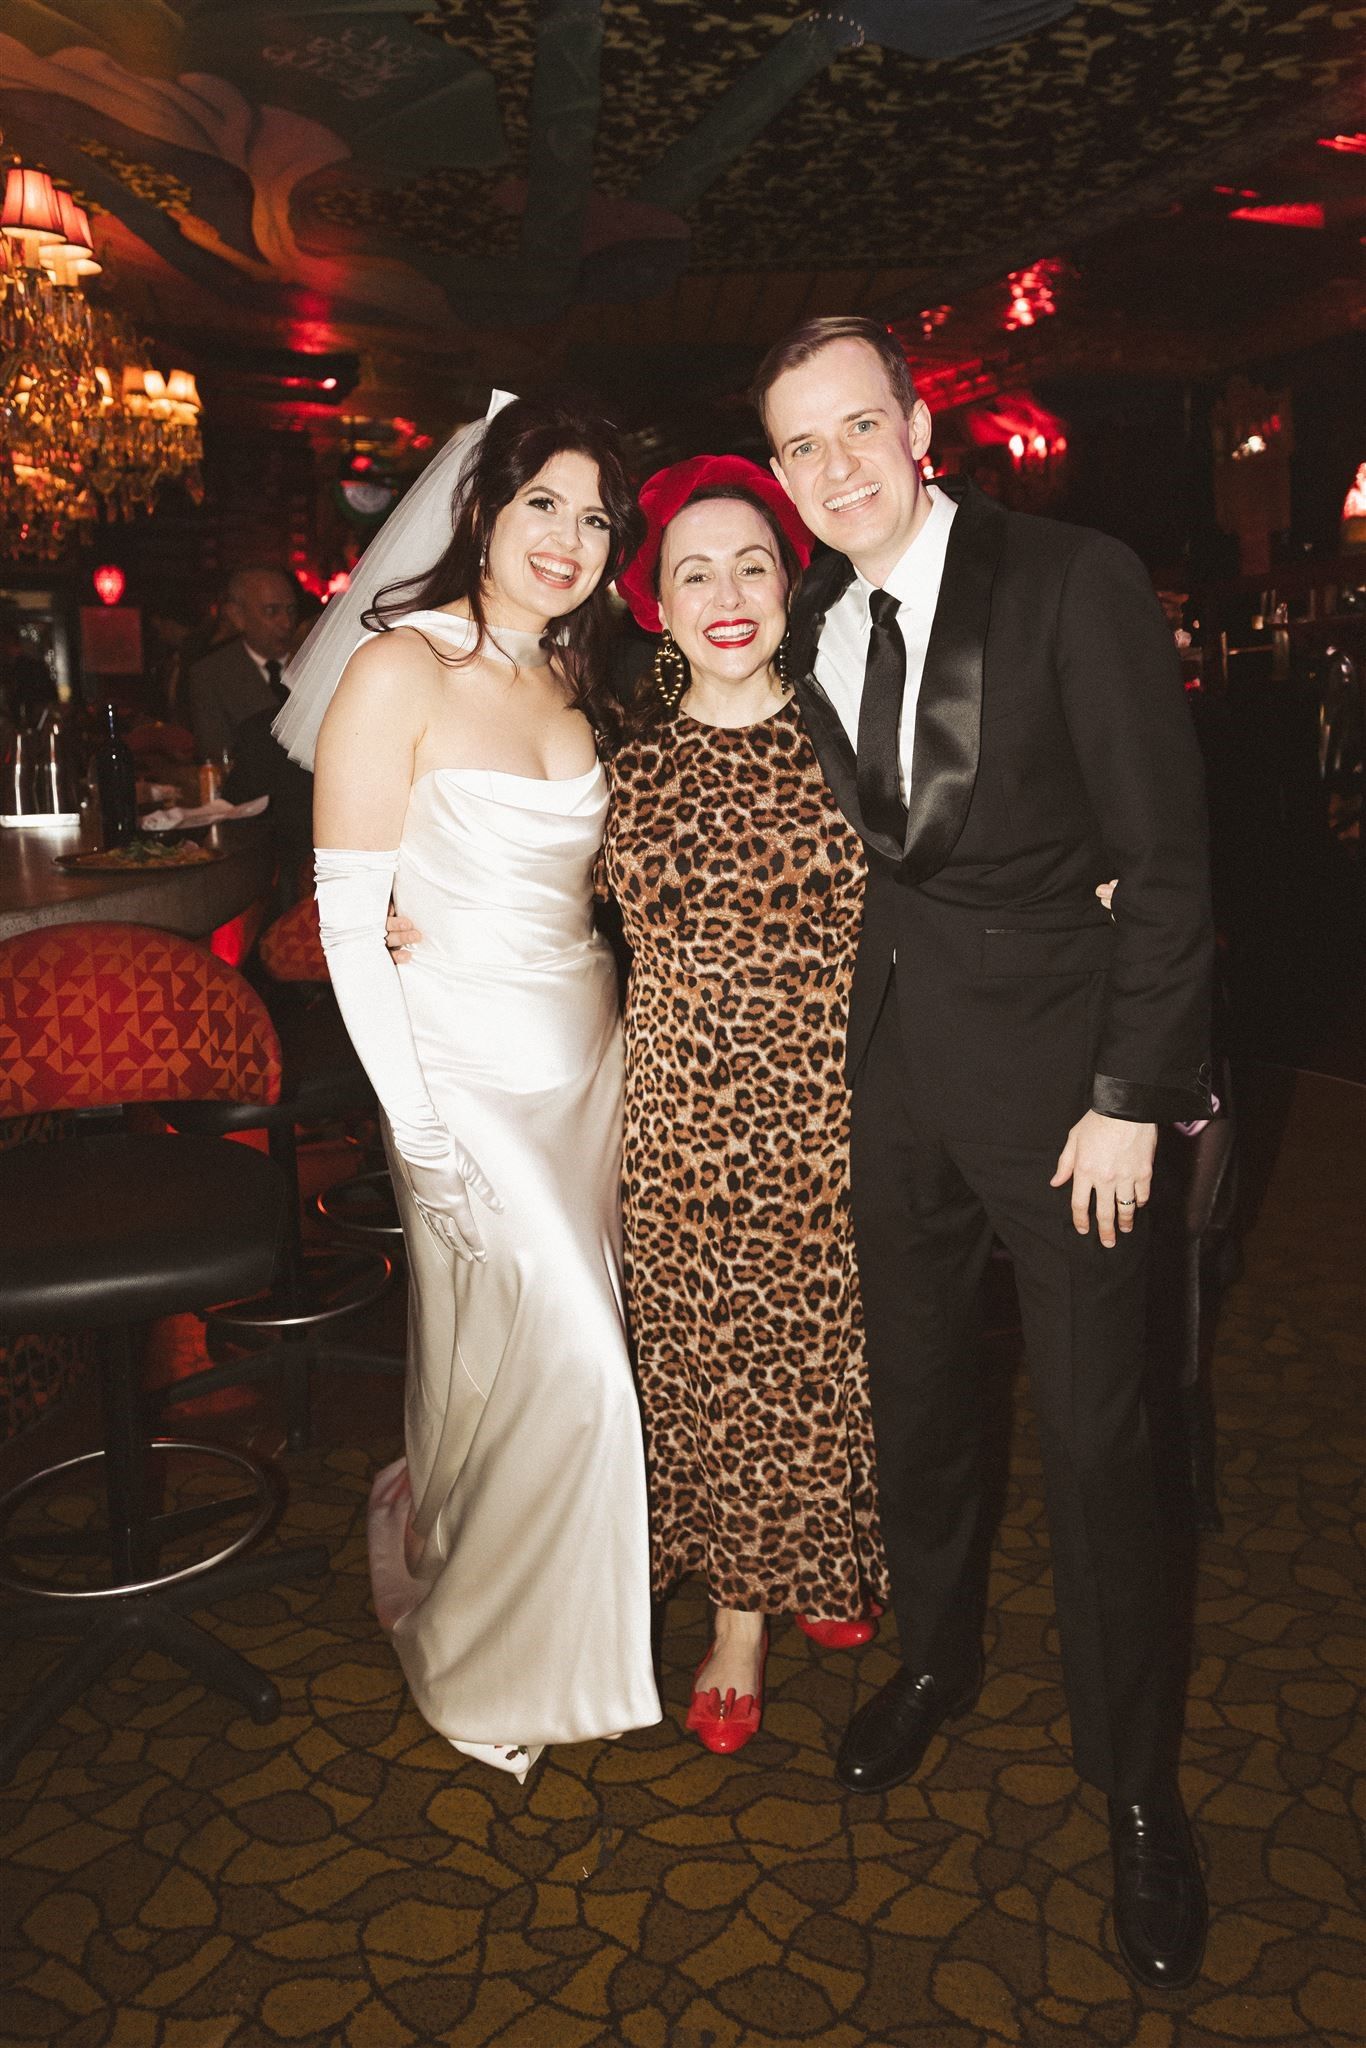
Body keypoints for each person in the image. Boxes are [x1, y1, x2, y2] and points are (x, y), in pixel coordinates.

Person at [754, 316, 1214, 1990]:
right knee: (922, 1401)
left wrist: (1130, 1088)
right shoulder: (813, 622)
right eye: (802, 446)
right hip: (896, 1090)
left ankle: (1136, 1788)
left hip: (1068, 1104)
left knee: (1098, 1446)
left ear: (916, 421)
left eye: (856, 427)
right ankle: (937, 1655)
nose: (835, 468)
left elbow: (1163, 865)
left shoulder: (1069, 576)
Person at [281, 392, 661, 1782]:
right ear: (483, 513)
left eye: (595, 514)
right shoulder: (403, 670)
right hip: (465, 1077)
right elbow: (343, 921)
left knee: (518, 1359)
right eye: (542, 504)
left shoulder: (569, 675)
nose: (568, 537)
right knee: (576, 1362)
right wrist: (420, 1133)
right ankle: (495, 1666)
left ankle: (482, 1556)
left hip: (585, 1060)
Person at [607, 457, 889, 1754]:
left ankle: (823, 1556)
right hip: (675, 1137)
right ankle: (738, 1620)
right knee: (712, 1376)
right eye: (692, 571)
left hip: (827, 1125)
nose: (725, 594)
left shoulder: (855, 749)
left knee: (825, 1366)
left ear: (791, 582)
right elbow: (529, 914)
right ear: (655, 605)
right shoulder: (621, 772)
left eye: (751, 564)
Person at [185, 566, 299, 762]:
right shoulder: (212, 675)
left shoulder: (311, 661)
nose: (286, 623)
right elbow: (216, 756)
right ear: (238, 616)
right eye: (271, 611)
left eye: (291, 610)